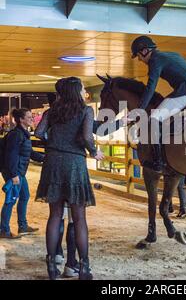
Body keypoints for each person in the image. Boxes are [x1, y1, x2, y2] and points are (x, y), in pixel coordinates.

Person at [35, 77, 104, 280]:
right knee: (79, 218)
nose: (84, 90)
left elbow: (39, 132)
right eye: (82, 88)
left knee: (55, 216)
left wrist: (55, 142)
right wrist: (93, 152)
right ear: (76, 91)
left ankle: (51, 266)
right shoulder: (86, 110)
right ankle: (83, 268)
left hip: (53, 163)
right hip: (74, 163)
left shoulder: (51, 111)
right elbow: (86, 136)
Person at [128, 35, 186, 172]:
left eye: (138, 56)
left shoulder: (155, 60)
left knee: (154, 118)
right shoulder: (172, 54)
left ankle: (159, 162)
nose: (140, 60)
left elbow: (151, 87)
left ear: (145, 51)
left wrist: (139, 110)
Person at [0, 108, 43, 239]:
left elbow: (29, 153)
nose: (32, 119)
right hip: (14, 172)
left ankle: (22, 226)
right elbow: (11, 155)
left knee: (24, 196)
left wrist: (45, 158)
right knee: (11, 200)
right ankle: (4, 230)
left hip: (19, 171)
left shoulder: (24, 134)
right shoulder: (16, 135)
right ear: (21, 120)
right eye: (29, 117)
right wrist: (14, 175)